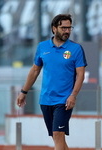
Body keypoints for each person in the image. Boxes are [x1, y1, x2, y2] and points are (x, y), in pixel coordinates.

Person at [16, 14, 87, 150]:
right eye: (63, 28)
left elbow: (81, 75)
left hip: (64, 101)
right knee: (57, 138)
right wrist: (24, 91)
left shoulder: (76, 49)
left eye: (69, 28)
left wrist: (73, 96)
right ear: (54, 29)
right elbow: (35, 71)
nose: (67, 31)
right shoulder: (42, 47)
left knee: (58, 134)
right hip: (46, 100)